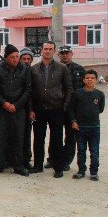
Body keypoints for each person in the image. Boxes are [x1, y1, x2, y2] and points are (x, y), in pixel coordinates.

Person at [29, 41, 73, 178]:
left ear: (54, 51)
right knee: (38, 138)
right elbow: (29, 91)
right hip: (39, 109)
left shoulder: (62, 68)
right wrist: (31, 109)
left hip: (56, 108)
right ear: (41, 51)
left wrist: (64, 106)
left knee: (56, 139)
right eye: (45, 49)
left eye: (50, 49)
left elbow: (69, 89)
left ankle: (58, 167)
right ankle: (37, 165)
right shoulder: (34, 69)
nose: (47, 51)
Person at [0, 44, 31, 176]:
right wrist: (4, 103)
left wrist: (16, 105)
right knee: (0, 136)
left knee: (18, 137)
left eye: (17, 57)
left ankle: (18, 165)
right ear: (6, 57)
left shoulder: (24, 69)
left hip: (18, 109)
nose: (15, 59)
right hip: (1, 108)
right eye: (12, 57)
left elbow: (28, 89)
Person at [69, 70, 105, 181]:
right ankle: (81, 171)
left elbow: (100, 109)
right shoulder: (77, 93)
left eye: (92, 78)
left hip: (94, 127)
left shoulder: (99, 94)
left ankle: (94, 172)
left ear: (96, 80)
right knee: (81, 150)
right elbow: (71, 109)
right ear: (83, 80)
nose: (89, 80)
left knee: (94, 151)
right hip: (81, 127)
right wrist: (73, 121)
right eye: (87, 78)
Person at [58, 45, 86, 169]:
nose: (65, 55)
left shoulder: (79, 69)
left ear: (72, 53)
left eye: (67, 53)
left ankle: (66, 161)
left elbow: (85, 89)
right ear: (58, 55)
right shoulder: (55, 68)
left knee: (71, 136)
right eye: (62, 53)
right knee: (56, 135)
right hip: (58, 106)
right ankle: (53, 158)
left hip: (74, 108)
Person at [19, 47, 35, 169]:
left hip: (31, 109)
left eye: (28, 58)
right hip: (19, 108)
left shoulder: (34, 72)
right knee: (18, 136)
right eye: (23, 58)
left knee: (27, 136)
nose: (26, 60)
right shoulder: (17, 71)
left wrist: (31, 110)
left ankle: (26, 159)